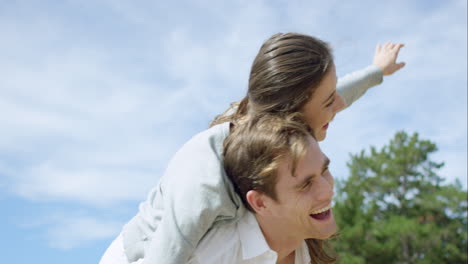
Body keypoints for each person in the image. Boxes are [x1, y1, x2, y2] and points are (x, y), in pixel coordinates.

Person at [99, 33, 405, 264]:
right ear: (291, 110)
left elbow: (343, 94)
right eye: (328, 101)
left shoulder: (285, 134)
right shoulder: (206, 169)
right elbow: (167, 252)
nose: (338, 105)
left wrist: (378, 70)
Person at [187, 114, 336, 264]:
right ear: (260, 203)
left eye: (324, 170)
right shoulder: (213, 258)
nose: (327, 191)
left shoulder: (306, 248)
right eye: (305, 184)